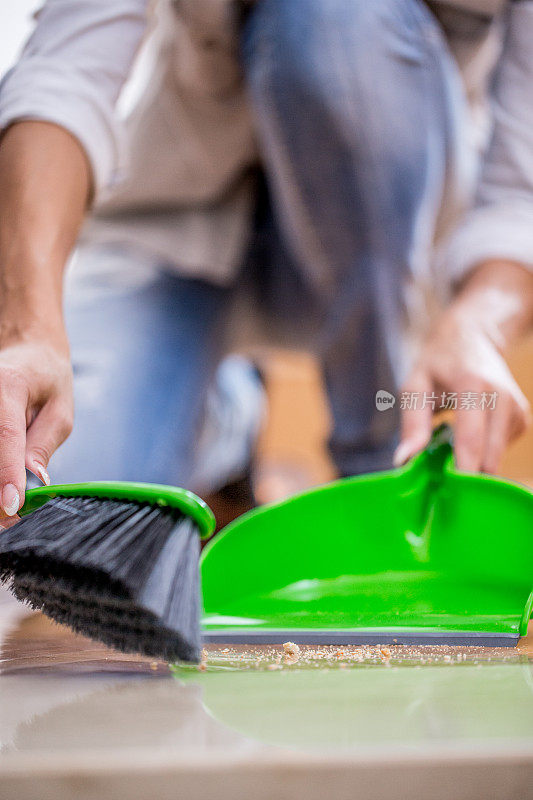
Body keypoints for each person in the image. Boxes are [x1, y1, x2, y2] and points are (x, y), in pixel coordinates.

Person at [0, 0, 532, 524]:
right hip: (182, 230)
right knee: (61, 506)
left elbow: (519, 186)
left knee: (331, 17)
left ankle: (380, 469)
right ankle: (231, 417)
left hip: (385, 264)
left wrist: (478, 323)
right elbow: (66, 72)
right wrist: (29, 328)